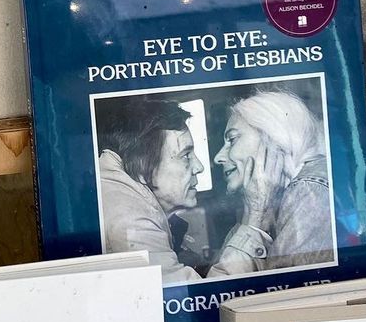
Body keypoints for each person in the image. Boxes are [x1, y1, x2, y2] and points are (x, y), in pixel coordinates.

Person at [95, 95, 272, 283]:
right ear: (143, 166)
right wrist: (254, 219)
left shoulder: (119, 195)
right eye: (186, 156)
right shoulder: (131, 220)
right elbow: (206, 295)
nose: (199, 167)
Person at [212, 89, 333, 272]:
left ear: (273, 138)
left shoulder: (308, 189)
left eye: (232, 139)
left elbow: (285, 286)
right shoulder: (271, 199)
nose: (218, 158)